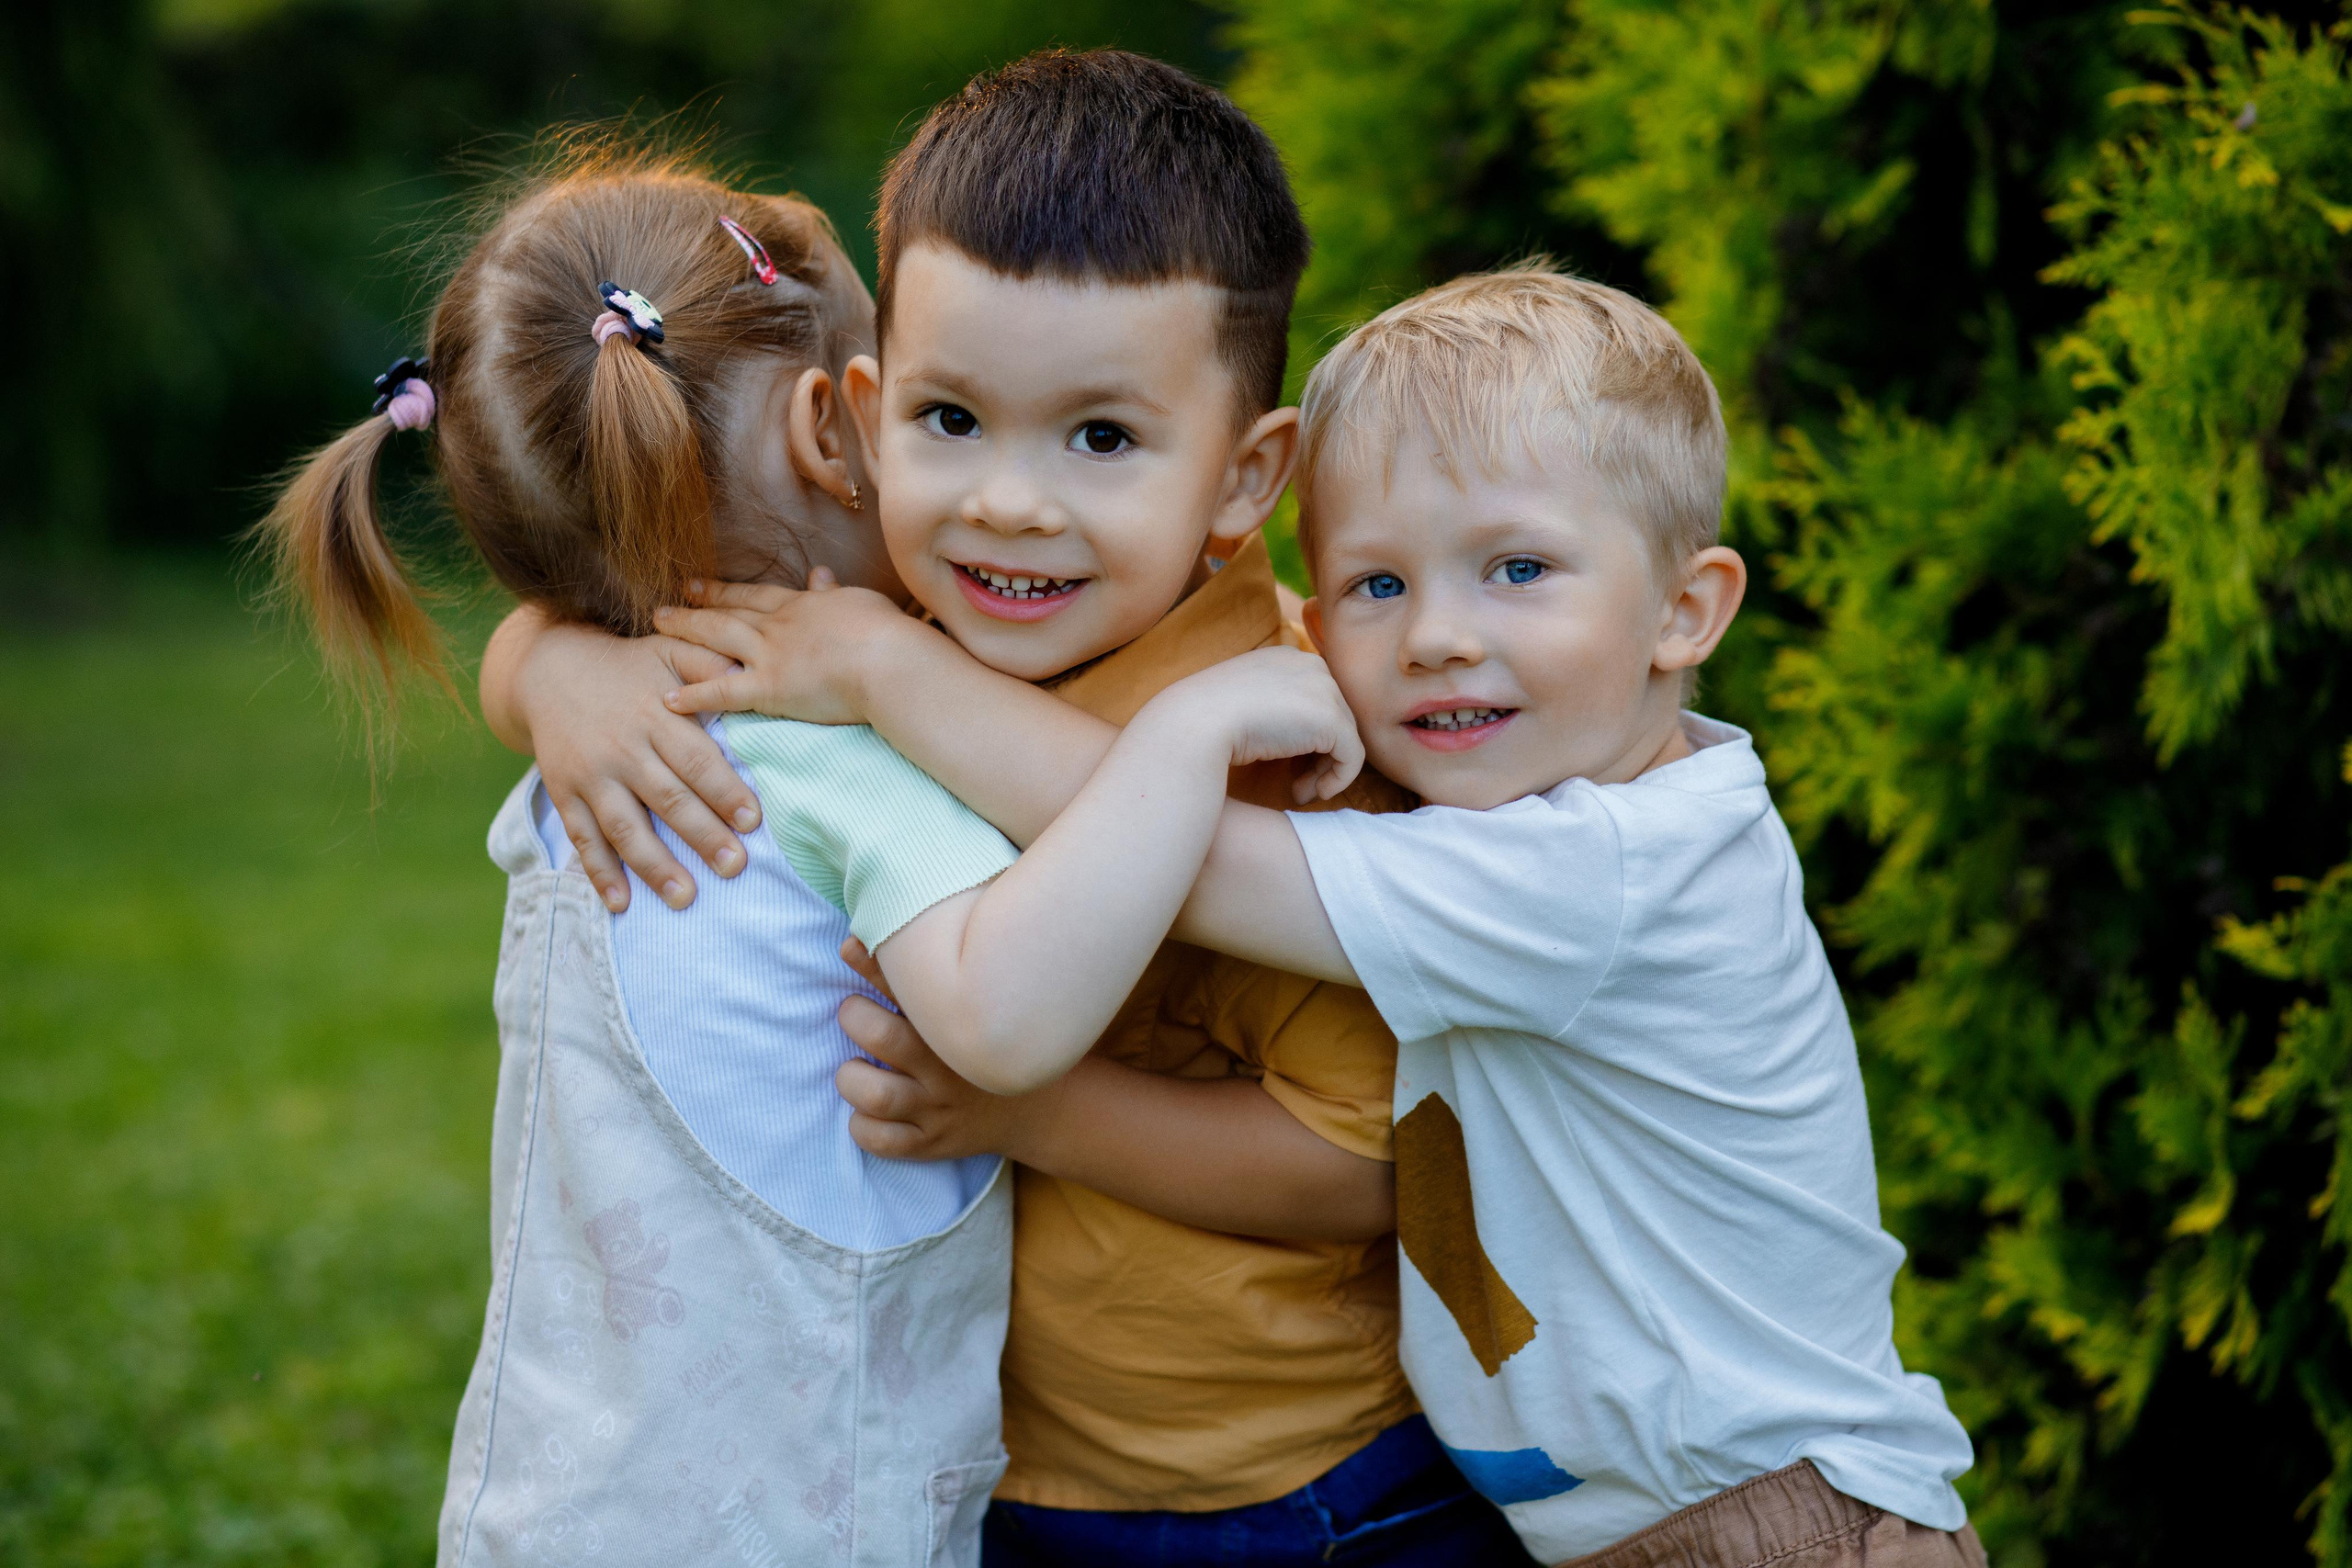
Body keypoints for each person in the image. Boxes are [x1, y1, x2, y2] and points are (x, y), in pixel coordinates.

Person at [662, 266, 1986, 1568]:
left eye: (1519, 569)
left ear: (1685, 612)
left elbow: (1174, 855)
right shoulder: (1551, 820)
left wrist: (888, 670)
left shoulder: (1604, 876)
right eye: (1376, 586)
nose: (1436, 638)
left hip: (1784, 1527)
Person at [477, 52, 1532, 1567]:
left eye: (1102, 439)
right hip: (995, 1470)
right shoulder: (923, 606)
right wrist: (556, 670)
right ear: (864, 419)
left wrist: (1039, 1115)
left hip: (1277, 1491)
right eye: (952, 418)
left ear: (1246, 479)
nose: (1010, 503)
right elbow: (626, 604)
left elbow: (1375, 1166)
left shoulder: (1289, 747)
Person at [262, 142, 1023, 1566]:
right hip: (820, 1518)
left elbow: (544, 648)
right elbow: (1023, 989)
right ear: (833, 428)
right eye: (930, 410)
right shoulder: (869, 775)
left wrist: (541, 664)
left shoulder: (589, 758)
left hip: (549, 1508)